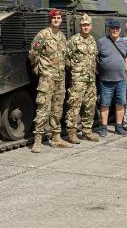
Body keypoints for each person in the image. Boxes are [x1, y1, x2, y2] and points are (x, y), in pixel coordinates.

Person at [29, 9, 71, 152]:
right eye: (54, 18)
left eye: (58, 18)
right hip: (47, 78)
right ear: (50, 19)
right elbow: (34, 53)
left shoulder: (62, 36)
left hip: (60, 78)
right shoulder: (43, 34)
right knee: (43, 108)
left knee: (57, 109)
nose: (56, 20)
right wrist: (37, 67)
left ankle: (56, 138)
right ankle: (38, 140)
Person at [64, 14, 100, 144]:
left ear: (91, 26)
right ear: (80, 26)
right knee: (74, 106)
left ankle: (87, 132)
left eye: (88, 25)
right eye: (83, 25)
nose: (85, 27)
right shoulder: (73, 40)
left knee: (90, 106)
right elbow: (66, 59)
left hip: (91, 80)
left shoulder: (92, 40)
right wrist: (75, 70)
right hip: (78, 80)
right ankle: (72, 133)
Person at [96, 19, 127, 137]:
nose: (114, 30)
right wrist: (98, 70)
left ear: (120, 30)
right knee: (105, 104)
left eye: (116, 28)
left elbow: (126, 59)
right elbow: (95, 57)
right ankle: (104, 127)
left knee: (120, 103)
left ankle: (118, 127)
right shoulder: (101, 42)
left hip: (121, 79)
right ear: (109, 29)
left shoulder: (125, 43)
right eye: (112, 28)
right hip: (105, 79)